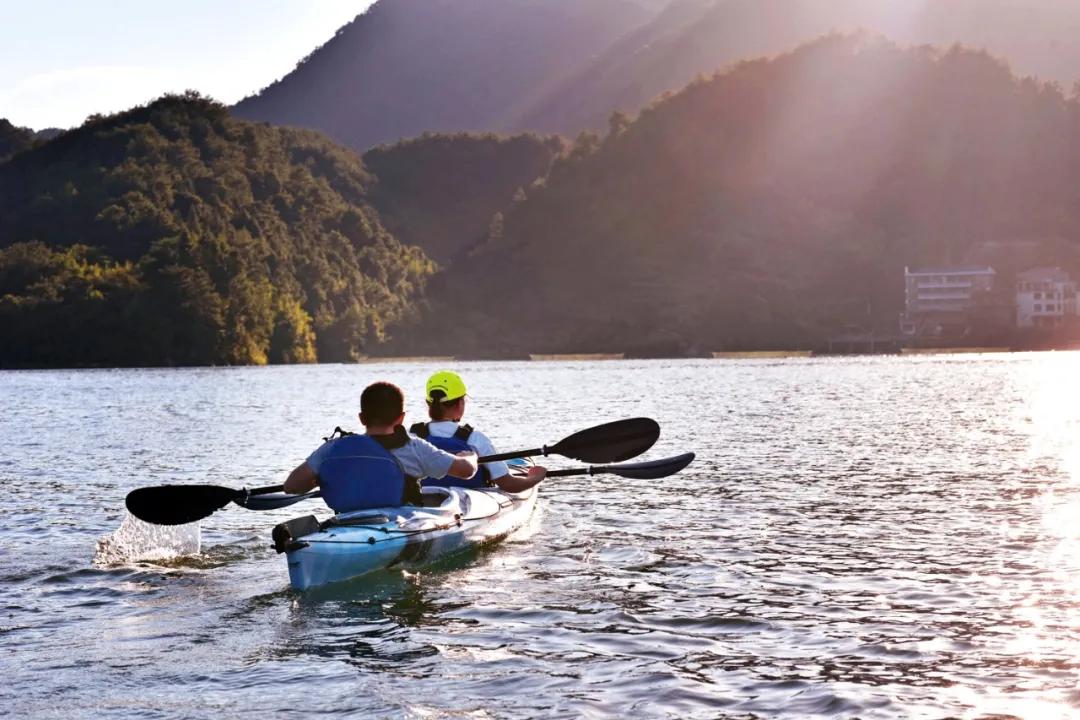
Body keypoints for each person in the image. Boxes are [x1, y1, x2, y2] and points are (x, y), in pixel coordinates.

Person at [283, 381, 478, 514]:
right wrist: (471, 457)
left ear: (361, 418)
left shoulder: (331, 449)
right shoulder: (414, 447)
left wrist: (320, 480)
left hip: (346, 524)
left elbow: (291, 486)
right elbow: (466, 471)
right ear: (401, 418)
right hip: (400, 527)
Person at [410, 370, 546, 494]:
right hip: (471, 509)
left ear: (428, 403)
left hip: (421, 507)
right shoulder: (475, 439)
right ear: (460, 404)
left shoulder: (410, 437)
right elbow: (509, 484)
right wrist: (535, 478)